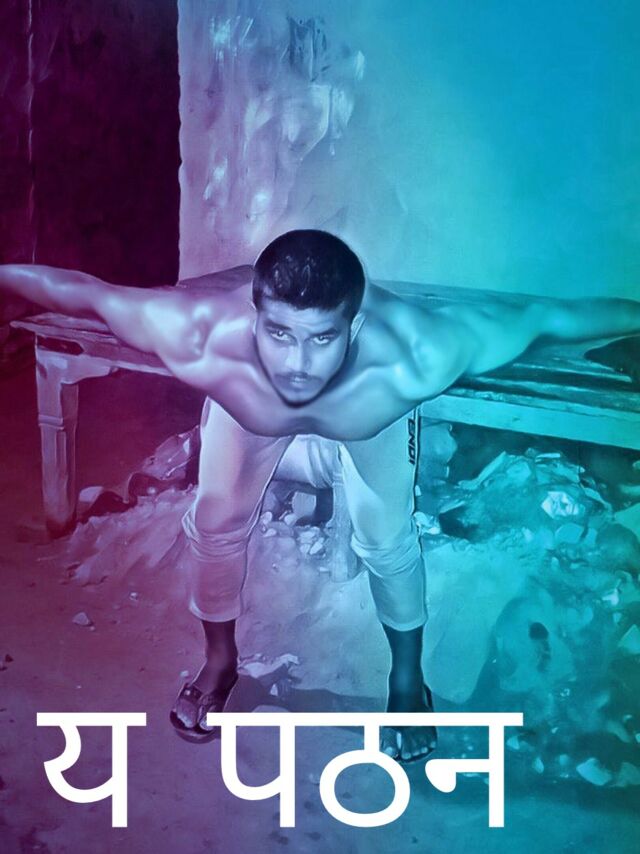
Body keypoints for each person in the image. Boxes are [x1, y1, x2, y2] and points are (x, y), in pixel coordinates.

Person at [2, 229, 640, 762]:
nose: (298, 363)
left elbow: (545, 320)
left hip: (372, 415)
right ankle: (219, 662)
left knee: (386, 537)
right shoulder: (198, 336)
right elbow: (80, 291)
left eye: (322, 338)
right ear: (255, 316)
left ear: (354, 326)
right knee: (215, 519)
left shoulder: (414, 355)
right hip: (246, 411)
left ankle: (407, 680)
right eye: (279, 334)